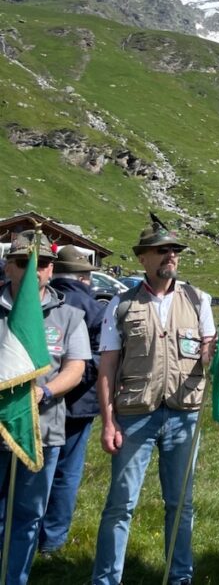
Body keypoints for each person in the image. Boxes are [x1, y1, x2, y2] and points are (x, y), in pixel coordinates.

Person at [93, 217, 215, 585]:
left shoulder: (198, 299)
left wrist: (216, 353)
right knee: (121, 505)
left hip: (184, 416)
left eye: (175, 251)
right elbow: (107, 367)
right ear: (143, 258)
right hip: (134, 416)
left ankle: (180, 577)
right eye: (163, 250)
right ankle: (105, 579)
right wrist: (109, 422)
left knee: (181, 505)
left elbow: (209, 353)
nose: (171, 257)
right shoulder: (121, 304)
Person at [0, 232, 88, 585]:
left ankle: (14, 579)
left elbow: (76, 366)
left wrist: (45, 391)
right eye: (24, 262)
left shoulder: (69, 316)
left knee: (28, 514)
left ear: (52, 270)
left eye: (43, 263)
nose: (34, 269)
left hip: (43, 430)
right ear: (8, 266)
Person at [39, 247, 105, 554]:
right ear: (84, 277)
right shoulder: (93, 308)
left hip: (43, 399)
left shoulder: (45, 304)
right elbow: (100, 357)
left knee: (35, 468)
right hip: (79, 402)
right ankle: (52, 540)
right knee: (67, 471)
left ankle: (24, 530)